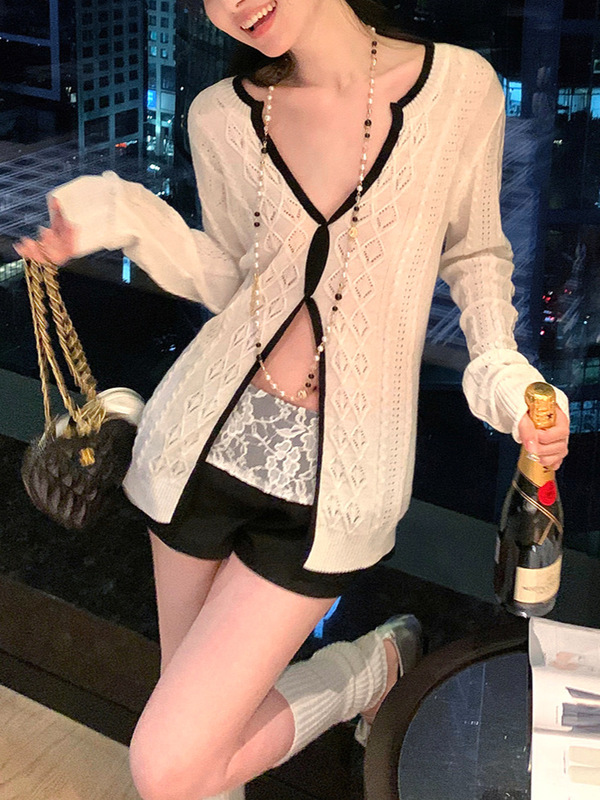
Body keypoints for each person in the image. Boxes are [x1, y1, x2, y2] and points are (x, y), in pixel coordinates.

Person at [15, 1, 570, 798]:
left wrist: (507, 380)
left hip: (337, 489)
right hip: (194, 451)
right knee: (201, 759)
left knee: (171, 764)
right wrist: (122, 217)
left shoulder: (459, 90)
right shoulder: (220, 117)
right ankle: (369, 673)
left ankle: (369, 668)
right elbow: (231, 280)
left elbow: (478, 255)